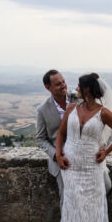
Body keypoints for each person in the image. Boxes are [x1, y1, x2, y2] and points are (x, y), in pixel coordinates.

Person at [55, 73, 112, 222]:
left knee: (91, 208)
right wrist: (58, 155)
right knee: (72, 207)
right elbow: (61, 133)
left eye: (78, 85)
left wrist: (106, 152)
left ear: (86, 89)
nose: (75, 88)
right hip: (70, 167)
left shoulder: (104, 113)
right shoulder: (72, 108)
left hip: (91, 169)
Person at [36, 69, 69, 208]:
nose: (63, 86)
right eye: (58, 84)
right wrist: (56, 156)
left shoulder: (78, 100)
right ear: (47, 87)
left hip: (82, 155)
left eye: (63, 82)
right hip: (61, 162)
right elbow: (40, 139)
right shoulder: (42, 110)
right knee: (66, 199)